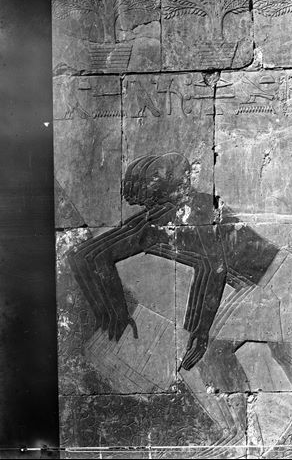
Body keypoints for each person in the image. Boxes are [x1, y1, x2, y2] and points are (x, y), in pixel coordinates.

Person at [66, 152, 278, 370]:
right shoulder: (161, 216)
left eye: (154, 179)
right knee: (219, 356)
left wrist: (201, 331)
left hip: (272, 278)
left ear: (173, 183)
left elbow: (216, 267)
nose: (142, 190)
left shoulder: (201, 207)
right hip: (256, 281)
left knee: (219, 355)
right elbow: (96, 254)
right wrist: (115, 314)